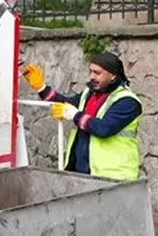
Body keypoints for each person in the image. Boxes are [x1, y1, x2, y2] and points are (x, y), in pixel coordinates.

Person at [23, 51, 143, 181]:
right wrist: (41, 88)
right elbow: (65, 104)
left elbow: (103, 128)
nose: (91, 76)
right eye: (90, 71)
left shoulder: (127, 102)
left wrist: (74, 114)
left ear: (113, 75)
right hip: (82, 171)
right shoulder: (89, 94)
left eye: (97, 73)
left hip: (113, 175)